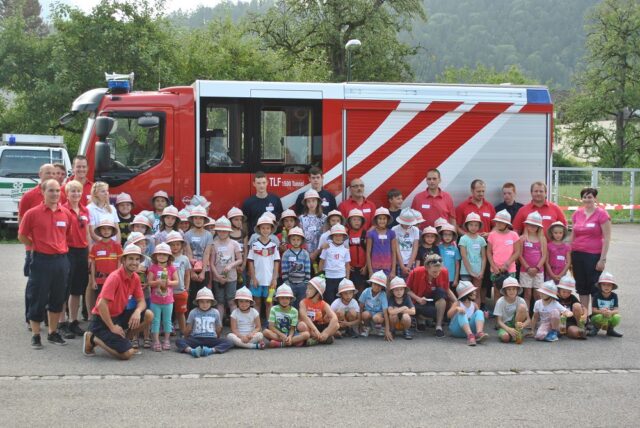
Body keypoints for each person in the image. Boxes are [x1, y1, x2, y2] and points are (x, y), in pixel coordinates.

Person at [18, 179, 72, 349]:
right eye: (51, 190)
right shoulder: (32, 213)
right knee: (38, 298)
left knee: (58, 298)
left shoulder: (66, 213)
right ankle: (35, 335)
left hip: (61, 261)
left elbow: (67, 235)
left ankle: (53, 333)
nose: (55, 194)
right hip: (41, 260)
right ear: (42, 192)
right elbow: (22, 235)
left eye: (57, 190)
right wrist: (37, 246)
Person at [82, 244, 154, 359]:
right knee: (127, 354)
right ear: (123, 260)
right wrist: (112, 327)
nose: (134, 262)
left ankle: (124, 341)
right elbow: (101, 305)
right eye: (130, 258)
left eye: (137, 259)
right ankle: (92, 338)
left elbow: (141, 301)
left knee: (148, 315)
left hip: (118, 316)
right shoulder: (115, 277)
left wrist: (137, 311)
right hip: (102, 320)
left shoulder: (135, 277)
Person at [569, 187, 611, 312]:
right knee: (582, 287)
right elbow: (572, 235)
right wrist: (568, 255)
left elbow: (607, 238)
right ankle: (584, 318)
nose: (587, 199)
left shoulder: (602, 214)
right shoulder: (577, 213)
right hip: (577, 255)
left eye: (590, 197)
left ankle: (595, 318)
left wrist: (602, 259)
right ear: (582, 199)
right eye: (585, 197)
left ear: (595, 199)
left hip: (593, 256)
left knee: (594, 287)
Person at [61, 180, 91, 338]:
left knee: (77, 289)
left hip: (82, 251)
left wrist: (90, 254)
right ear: (67, 193)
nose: (76, 194)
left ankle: (73, 321)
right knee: (64, 288)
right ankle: (61, 322)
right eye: (72, 191)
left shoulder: (85, 210)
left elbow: (87, 234)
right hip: (67, 251)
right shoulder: (62, 210)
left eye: (78, 191)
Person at [407, 254, 457, 337]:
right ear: (426, 268)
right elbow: (407, 290)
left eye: (439, 271)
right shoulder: (416, 272)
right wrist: (418, 299)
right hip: (419, 300)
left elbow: (447, 290)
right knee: (423, 309)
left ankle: (438, 326)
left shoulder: (444, 272)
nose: (437, 274)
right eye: (434, 271)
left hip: (434, 299)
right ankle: (420, 320)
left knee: (441, 293)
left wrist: (457, 303)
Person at [175, 287, 233, 357]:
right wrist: (185, 337)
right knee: (179, 341)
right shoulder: (193, 312)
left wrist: (217, 337)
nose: (205, 304)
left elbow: (218, 327)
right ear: (197, 302)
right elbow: (189, 328)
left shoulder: (215, 312)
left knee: (229, 342)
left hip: (211, 338)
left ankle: (210, 350)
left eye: (207, 302)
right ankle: (192, 351)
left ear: (211, 302)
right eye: (202, 302)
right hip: (196, 339)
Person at [147, 242, 179, 351]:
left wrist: (168, 282)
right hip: (155, 300)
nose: (161, 256)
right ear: (155, 256)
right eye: (159, 254)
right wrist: (157, 282)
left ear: (169, 257)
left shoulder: (171, 268)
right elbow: (149, 282)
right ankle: (156, 340)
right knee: (155, 320)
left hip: (168, 300)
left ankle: (166, 340)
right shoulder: (153, 268)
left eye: (164, 254)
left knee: (167, 320)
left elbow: (177, 282)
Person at [248, 215, 281, 318]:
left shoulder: (274, 246)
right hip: (257, 279)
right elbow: (250, 262)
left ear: (271, 229)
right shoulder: (254, 245)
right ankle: (257, 325)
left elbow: (276, 263)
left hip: (270, 281)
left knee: (269, 302)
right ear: (259, 229)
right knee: (256, 302)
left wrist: (274, 279)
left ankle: (269, 325)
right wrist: (253, 278)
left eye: (268, 228)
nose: (265, 230)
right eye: (263, 228)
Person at [210, 216, 242, 320]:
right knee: (220, 301)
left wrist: (230, 265)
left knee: (231, 300)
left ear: (229, 232)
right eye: (219, 231)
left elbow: (240, 259)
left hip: (231, 277)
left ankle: (234, 322)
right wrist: (217, 276)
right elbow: (212, 263)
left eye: (224, 231)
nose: (222, 233)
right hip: (217, 277)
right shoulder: (214, 244)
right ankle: (219, 324)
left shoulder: (234, 243)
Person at [88, 219, 123, 313]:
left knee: (113, 302)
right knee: (100, 302)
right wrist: (93, 280)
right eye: (103, 229)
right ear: (99, 231)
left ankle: (112, 321)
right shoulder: (95, 246)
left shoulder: (117, 245)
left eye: (108, 229)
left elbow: (120, 264)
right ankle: (99, 322)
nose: (106, 231)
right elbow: (93, 264)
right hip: (99, 280)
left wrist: (119, 279)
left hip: (113, 280)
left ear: (112, 231)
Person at [183, 206, 213, 310]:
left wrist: (203, 272)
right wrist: (191, 272)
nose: (198, 220)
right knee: (191, 296)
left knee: (203, 296)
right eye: (196, 218)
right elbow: (188, 253)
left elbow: (206, 253)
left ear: (205, 220)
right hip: (190, 269)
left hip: (204, 270)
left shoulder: (209, 235)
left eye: (201, 218)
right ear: (192, 219)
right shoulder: (187, 235)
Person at [487, 210, 520, 301]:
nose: (498, 224)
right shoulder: (492, 235)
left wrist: (507, 264)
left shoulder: (513, 235)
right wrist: (493, 266)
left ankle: (509, 313)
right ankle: (498, 314)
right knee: (497, 293)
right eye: (497, 222)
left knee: (510, 293)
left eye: (501, 222)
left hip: (510, 269)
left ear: (507, 224)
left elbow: (517, 252)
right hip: (495, 270)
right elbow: (489, 252)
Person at [518, 211, 547, 309]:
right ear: (526, 225)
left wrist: (537, 268)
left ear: (539, 227)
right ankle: (526, 315)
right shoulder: (522, 238)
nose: (532, 227)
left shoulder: (542, 238)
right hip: (525, 271)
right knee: (527, 294)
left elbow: (544, 256)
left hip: (539, 272)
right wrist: (527, 268)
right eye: (530, 224)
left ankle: (537, 315)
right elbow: (520, 255)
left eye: (535, 225)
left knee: (538, 295)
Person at [299, 276, 340, 345]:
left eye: (310, 289)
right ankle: (321, 339)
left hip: (319, 325)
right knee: (301, 325)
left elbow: (334, 318)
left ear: (318, 292)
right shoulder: (303, 302)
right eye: (307, 288)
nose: (307, 291)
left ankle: (317, 339)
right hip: (309, 326)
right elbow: (304, 317)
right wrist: (315, 330)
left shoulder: (323, 304)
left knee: (336, 325)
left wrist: (326, 332)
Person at [446, 281, 488, 346]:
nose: (475, 292)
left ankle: (479, 333)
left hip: (470, 330)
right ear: (466, 294)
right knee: (462, 313)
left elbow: (477, 318)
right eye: (473, 291)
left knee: (479, 312)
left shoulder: (474, 304)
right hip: (457, 330)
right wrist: (456, 308)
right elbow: (448, 315)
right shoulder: (458, 303)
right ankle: (470, 336)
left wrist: (484, 315)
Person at [459, 213, 487, 307]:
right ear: (467, 225)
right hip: (466, 271)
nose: (473, 227)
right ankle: (466, 314)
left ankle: (477, 314)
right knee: (466, 294)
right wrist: (470, 272)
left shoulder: (481, 240)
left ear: (479, 226)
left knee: (476, 293)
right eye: (471, 224)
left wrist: (481, 272)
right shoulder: (463, 239)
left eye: (476, 225)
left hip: (478, 271)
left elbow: (483, 257)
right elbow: (464, 256)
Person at [166, 231, 190, 338]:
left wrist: (187, 287)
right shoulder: (166, 258)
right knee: (168, 312)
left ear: (181, 246)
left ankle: (183, 331)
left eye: (177, 244)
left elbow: (187, 274)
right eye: (172, 244)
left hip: (180, 290)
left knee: (181, 312)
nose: (175, 247)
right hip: (168, 290)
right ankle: (168, 329)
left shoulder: (185, 258)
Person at [319, 224, 351, 303]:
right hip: (329, 277)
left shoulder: (346, 250)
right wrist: (320, 276)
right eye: (335, 235)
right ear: (332, 237)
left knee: (340, 299)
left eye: (340, 235)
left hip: (341, 277)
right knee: (329, 298)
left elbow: (347, 265)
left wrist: (347, 279)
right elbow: (321, 262)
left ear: (344, 237)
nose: (338, 237)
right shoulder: (326, 247)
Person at [280, 226, 311, 306]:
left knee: (301, 303)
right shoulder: (286, 254)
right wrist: (286, 281)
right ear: (289, 240)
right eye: (293, 240)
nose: (296, 242)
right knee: (291, 303)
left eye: (298, 240)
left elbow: (307, 268)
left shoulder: (305, 253)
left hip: (302, 283)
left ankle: (301, 317)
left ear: (301, 241)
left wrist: (306, 281)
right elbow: (284, 268)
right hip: (290, 283)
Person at [494, 277, 530, 343]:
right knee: (505, 338)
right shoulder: (500, 301)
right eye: (509, 289)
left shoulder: (521, 300)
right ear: (505, 291)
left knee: (522, 307)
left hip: (516, 323)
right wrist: (508, 329)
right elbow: (499, 321)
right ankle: (513, 335)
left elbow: (528, 320)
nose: (512, 291)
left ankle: (517, 331)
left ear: (517, 290)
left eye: (514, 289)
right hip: (505, 325)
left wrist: (523, 325)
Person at [358, 270, 392, 340]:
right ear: (371, 283)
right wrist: (360, 324)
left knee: (376, 318)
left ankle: (382, 327)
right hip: (369, 311)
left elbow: (385, 312)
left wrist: (387, 330)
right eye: (375, 284)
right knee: (364, 314)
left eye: (380, 285)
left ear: (382, 287)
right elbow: (360, 307)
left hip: (379, 313)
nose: (377, 287)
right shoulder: (366, 291)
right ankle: (367, 327)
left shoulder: (383, 294)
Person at [589, 272, 622, 337]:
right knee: (599, 317)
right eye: (604, 285)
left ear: (612, 286)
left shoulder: (614, 296)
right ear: (600, 286)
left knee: (617, 317)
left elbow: (616, 310)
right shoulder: (596, 296)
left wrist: (610, 312)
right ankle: (595, 328)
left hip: (609, 316)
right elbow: (593, 310)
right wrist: (602, 312)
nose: (606, 287)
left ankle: (610, 330)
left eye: (609, 285)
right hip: (598, 316)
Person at [366, 207, 397, 278]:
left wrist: (393, 270)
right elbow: (368, 252)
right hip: (374, 268)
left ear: (387, 220)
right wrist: (370, 271)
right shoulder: (371, 234)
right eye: (380, 218)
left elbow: (393, 252)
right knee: (376, 288)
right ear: (376, 220)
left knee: (387, 287)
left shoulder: (391, 233)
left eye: (384, 219)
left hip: (388, 267)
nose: (382, 221)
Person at [299, 189, 327, 263]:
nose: (311, 204)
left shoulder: (324, 218)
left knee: (320, 274)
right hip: (305, 255)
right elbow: (300, 237)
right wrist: (306, 253)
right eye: (308, 201)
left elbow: (325, 238)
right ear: (305, 203)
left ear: (318, 202)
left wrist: (316, 253)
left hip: (321, 255)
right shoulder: (301, 218)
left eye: (314, 200)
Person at [556, 275, 587, 339]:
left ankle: (580, 327)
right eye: (564, 292)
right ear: (559, 289)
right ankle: (564, 331)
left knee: (577, 305)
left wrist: (585, 315)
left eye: (569, 292)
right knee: (576, 333)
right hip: (559, 321)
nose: (566, 294)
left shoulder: (572, 297)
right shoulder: (555, 298)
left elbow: (583, 308)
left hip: (571, 321)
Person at [393, 208, 419, 278]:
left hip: (411, 262)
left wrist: (408, 266)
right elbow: (396, 248)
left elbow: (415, 248)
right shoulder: (395, 229)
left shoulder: (415, 230)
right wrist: (402, 266)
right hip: (399, 263)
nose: (407, 225)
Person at [346, 208, 368, 293]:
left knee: (362, 288)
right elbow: (344, 251)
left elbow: (369, 252)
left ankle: (361, 305)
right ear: (349, 222)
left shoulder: (365, 234)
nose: (356, 222)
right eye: (354, 219)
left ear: (362, 221)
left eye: (359, 219)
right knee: (352, 288)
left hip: (363, 268)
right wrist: (348, 265)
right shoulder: (346, 234)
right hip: (351, 268)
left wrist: (366, 266)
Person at [228, 207, 248, 286]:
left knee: (242, 286)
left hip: (242, 266)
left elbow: (246, 249)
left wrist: (244, 264)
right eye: (236, 220)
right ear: (230, 221)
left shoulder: (243, 233)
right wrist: (234, 266)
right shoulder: (227, 233)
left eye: (240, 220)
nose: (239, 222)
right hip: (231, 265)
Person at [438, 223, 460, 289]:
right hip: (439, 277)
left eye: (450, 235)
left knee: (451, 297)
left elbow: (457, 265)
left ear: (453, 236)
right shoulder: (438, 248)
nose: (447, 237)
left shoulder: (455, 249)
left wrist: (456, 279)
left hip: (451, 278)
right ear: (441, 236)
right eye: (445, 234)